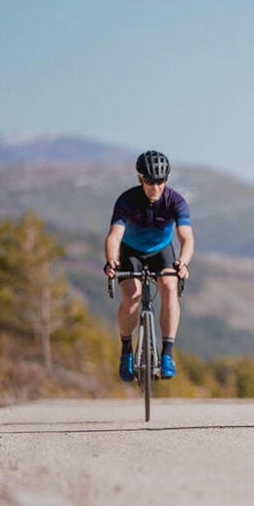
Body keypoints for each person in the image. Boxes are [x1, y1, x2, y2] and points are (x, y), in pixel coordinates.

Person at [103, 150, 194, 381]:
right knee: (132, 296)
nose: (155, 186)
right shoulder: (127, 200)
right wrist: (112, 260)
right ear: (140, 178)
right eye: (150, 181)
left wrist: (182, 262)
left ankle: (166, 354)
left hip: (161, 252)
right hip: (131, 251)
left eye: (161, 181)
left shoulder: (175, 201)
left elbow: (186, 238)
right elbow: (114, 236)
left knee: (170, 288)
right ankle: (126, 351)